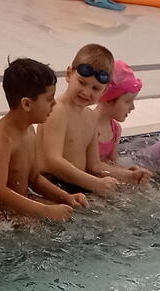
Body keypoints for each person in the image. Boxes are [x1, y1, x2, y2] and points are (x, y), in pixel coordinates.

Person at [0, 58, 84, 222]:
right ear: (26, 104)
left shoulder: (30, 131)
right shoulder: (1, 139)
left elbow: (34, 179)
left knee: (72, 214)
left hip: (11, 203)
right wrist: (46, 210)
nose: (54, 103)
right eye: (49, 99)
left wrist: (67, 197)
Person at [38, 43, 121, 197]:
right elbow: (53, 161)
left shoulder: (91, 117)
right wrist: (94, 183)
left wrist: (127, 175)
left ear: (105, 91)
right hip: (49, 185)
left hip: (77, 185)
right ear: (69, 74)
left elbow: (94, 165)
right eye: (82, 82)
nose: (86, 92)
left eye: (95, 88)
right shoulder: (57, 110)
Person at [92, 61, 153, 185]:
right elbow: (91, 166)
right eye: (127, 101)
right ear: (108, 99)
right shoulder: (87, 125)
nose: (132, 107)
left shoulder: (115, 129)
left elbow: (112, 163)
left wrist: (129, 172)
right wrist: (127, 175)